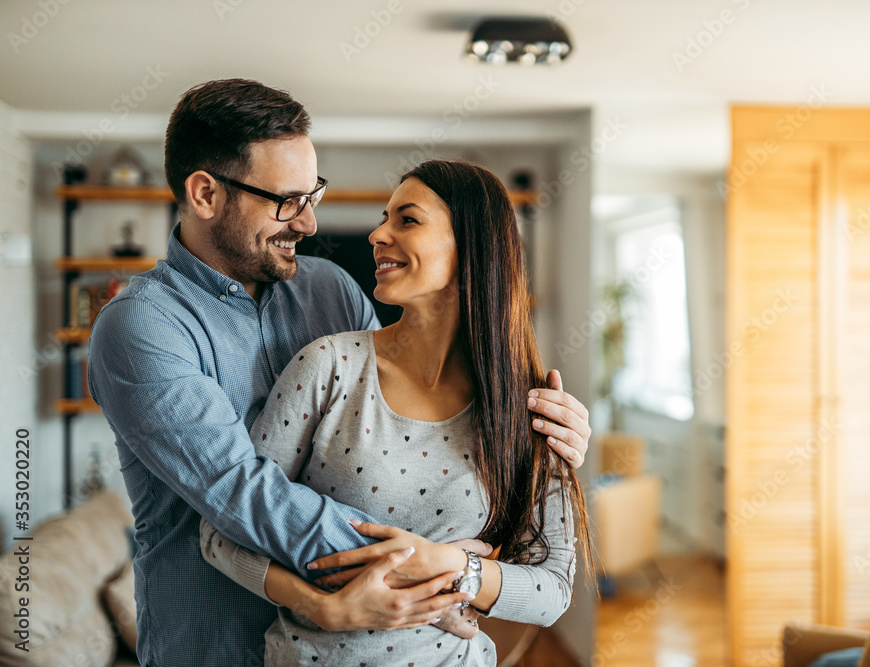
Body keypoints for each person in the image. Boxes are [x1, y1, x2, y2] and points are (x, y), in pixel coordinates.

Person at [88, 79, 592, 667]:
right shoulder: (140, 326)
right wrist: (429, 570)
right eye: (287, 201)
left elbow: (397, 429)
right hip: (210, 644)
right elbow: (244, 492)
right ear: (204, 193)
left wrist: (546, 442)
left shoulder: (327, 288)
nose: (306, 224)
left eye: (314, 196)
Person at [200, 159, 591, 666]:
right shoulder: (329, 367)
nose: (377, 234)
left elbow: (553, 589)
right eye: (385, 217)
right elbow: (220, 535)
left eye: (407, 220)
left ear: (472, 244)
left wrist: (453, 567)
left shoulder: (530, 404)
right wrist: (323, 606)